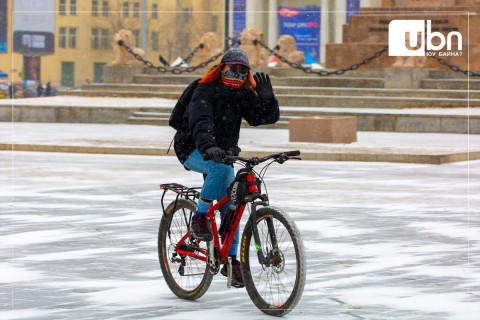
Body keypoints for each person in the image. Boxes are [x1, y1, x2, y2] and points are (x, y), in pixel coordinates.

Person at [173, 48, 279, 288]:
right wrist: (208, 146)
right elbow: (201, 121)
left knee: (231, 208)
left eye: (243, 71)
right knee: (219, 171)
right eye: (233, 69)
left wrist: (268, 100)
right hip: (193, 148)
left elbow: (261, 117)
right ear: (222, 69)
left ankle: (231, 262)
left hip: (223, 154)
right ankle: (200, 217)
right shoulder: (205, 89)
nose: (238, 74)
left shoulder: (242, 93)